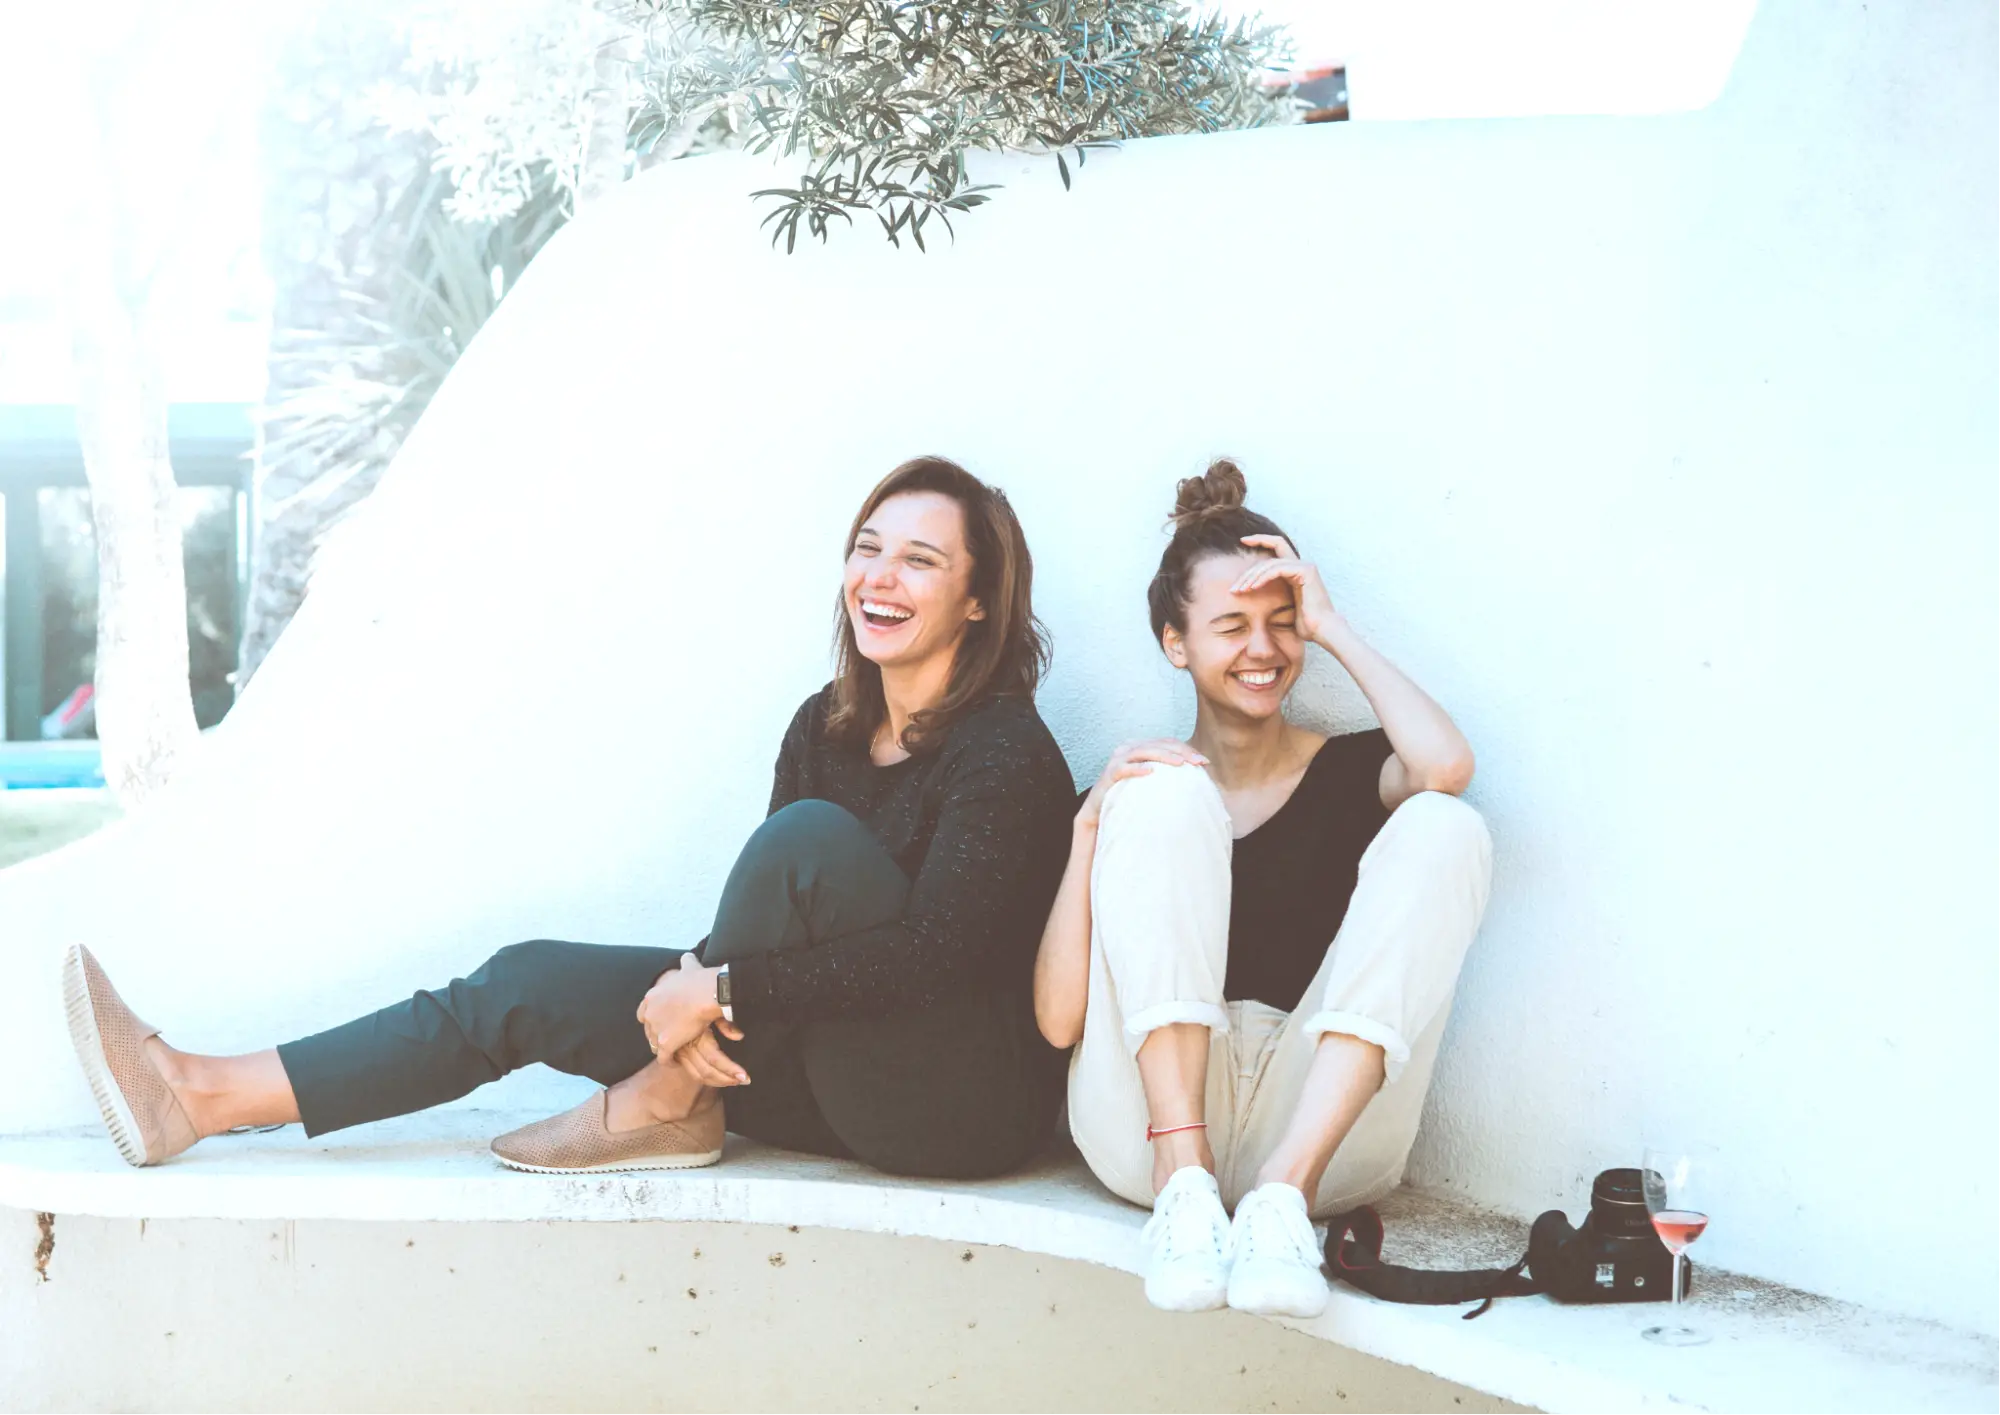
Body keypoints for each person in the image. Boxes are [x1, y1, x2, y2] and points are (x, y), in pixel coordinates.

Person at [67, 456, 1075, 1181]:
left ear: (979, 602)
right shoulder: (827, 722)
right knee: (523, 980)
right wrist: (700, 988)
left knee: (801, 841)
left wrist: (717, 983)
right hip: (822, 1065)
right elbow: (773, 929)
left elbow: (937, 955)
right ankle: (196, 1093)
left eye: (920, 561)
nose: (879, 577)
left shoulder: (1002, 750)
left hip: (951, 1110)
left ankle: (667, 1101)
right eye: (867, 548)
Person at [1033, 460, 1493, 1318]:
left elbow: (1447, 766)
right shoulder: (1141, 798)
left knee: (1447, 823)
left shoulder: (1354, 770)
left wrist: (1334, 627)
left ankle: (1280, 1195)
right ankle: (1185, 1179)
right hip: (1146, 1132)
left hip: (1317, 1133)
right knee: (1160, 790)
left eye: (1281, 625)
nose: (1263, 648)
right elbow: (1059, 1020)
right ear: (1177, 644)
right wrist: (1089, 825)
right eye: (1232, 625)